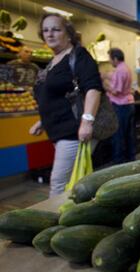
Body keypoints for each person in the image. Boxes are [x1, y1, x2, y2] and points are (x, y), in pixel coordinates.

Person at [30, 13, 102, 197]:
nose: (50, 34)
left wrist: (87, 121)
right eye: (45, 30)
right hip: (59, 130)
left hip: (73, 130)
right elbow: (57, 97)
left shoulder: (78, 55)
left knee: (59, 183)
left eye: (56, 29)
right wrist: (43, 121)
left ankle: (56, 223)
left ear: (68, 34)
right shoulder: (53, 62)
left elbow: (93, 88)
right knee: (73, 182)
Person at [102, 48, 136, 164]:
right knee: (128, 134)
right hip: (128, 105)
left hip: (121, 106)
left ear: (115, 59)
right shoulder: (126, 68)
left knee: (119, 134)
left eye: (110, 59)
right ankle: (130, 158)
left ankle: (119, 161)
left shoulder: (120, 71)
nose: (110, 62)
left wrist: (104, 87)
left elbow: (116, 91)